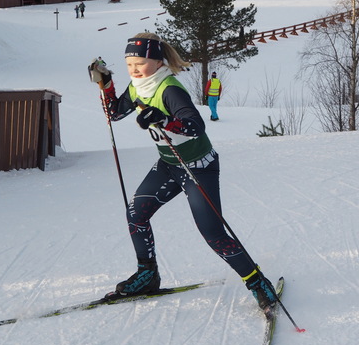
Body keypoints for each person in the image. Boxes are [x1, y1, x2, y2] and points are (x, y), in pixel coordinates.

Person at [87, 32, 278, 312]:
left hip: (198, 167)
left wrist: (164, 119)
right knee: (136, 213)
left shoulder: (169, 89)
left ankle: (257, 282)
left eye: (140, 63)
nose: (134, 70)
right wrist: (106, 83)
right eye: (129, 64)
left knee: (213, 233)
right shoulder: (137, 86)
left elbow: (195, 126)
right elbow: (114, 113)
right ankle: (147, 274)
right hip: (169, 164)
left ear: (158, 62)